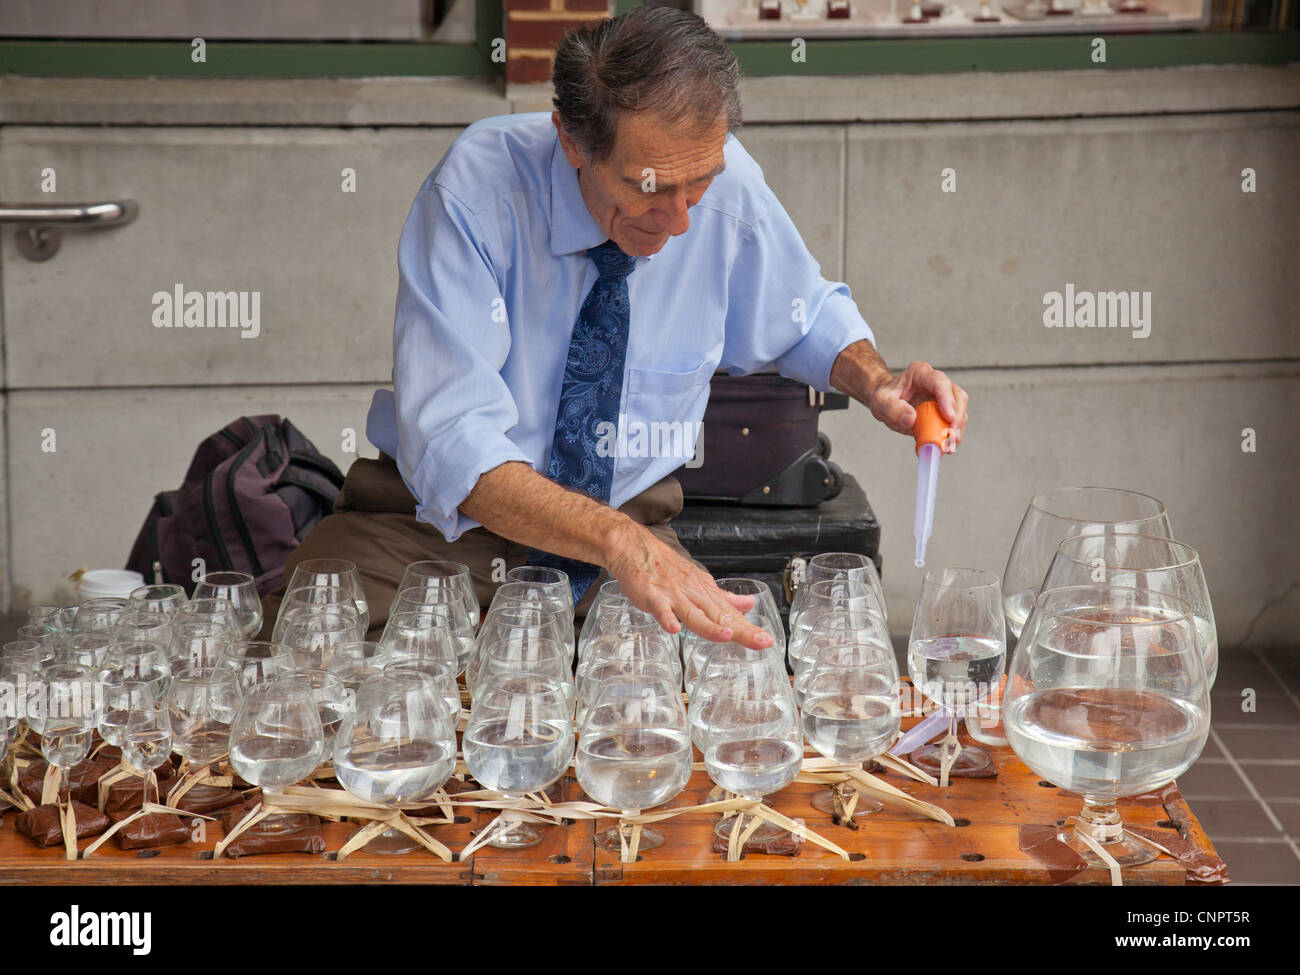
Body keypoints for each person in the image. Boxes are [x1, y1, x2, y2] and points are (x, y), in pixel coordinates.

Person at [260, 5, 968, 650]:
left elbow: (803, 312)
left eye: (702, 184)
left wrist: (878, 380)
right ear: (570, 139)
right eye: (649, 187)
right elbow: (453, 445)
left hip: (629, 533)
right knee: (299, 667)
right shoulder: (477, 192)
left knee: (718, 702)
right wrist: (617, 541)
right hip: (439, 532)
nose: (682, 219)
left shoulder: (719, 182)